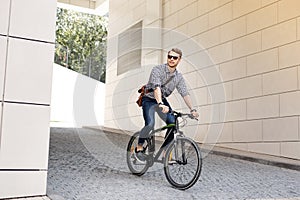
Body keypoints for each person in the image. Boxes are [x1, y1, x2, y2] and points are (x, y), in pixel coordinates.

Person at [135, 48, 199, 161]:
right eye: (170, 56)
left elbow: (184, 93)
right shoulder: (157, 70)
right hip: (149, 99)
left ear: (179, 60)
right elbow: (156, 88)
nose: (171, 59)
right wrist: (160, 103)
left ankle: (165, 152)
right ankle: (139, 147)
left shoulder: (178, 77)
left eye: (175, 57)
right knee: (150, 124)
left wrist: (192, 109)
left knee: (172, 123)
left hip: (162, 100)